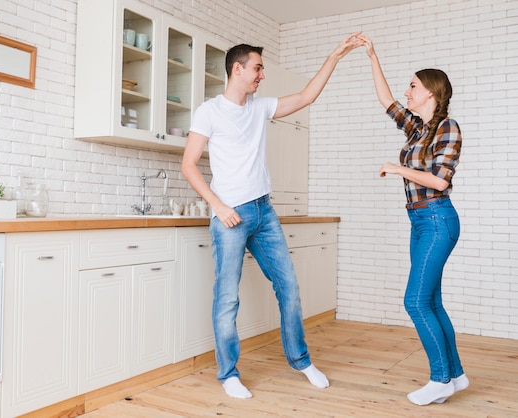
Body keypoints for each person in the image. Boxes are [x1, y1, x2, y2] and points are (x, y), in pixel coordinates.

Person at [181, 34, 363, 399]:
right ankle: (228, 373)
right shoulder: (209, 111)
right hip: (230, 215)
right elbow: (188, 165)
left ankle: (301, 360)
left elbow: (307, 96)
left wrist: (336, 53)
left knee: (290, 288)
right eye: (258, 68)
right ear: (238, 69)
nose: (261, 75)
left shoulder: (259, 107)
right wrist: (218, 206)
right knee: (227, 297)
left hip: (264, 211)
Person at [360, 34, 469, 406]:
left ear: (430, 92)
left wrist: (397, 168)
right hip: (420, 222)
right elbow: (385, 100)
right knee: (432, 301)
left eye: (413, 86)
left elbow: (440, 180)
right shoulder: (417, 129)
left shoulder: (447, 127)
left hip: (438, 220)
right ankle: (454, 376)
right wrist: (373, 54)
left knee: (415, 302)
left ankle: (439, 378)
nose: (408, 92)